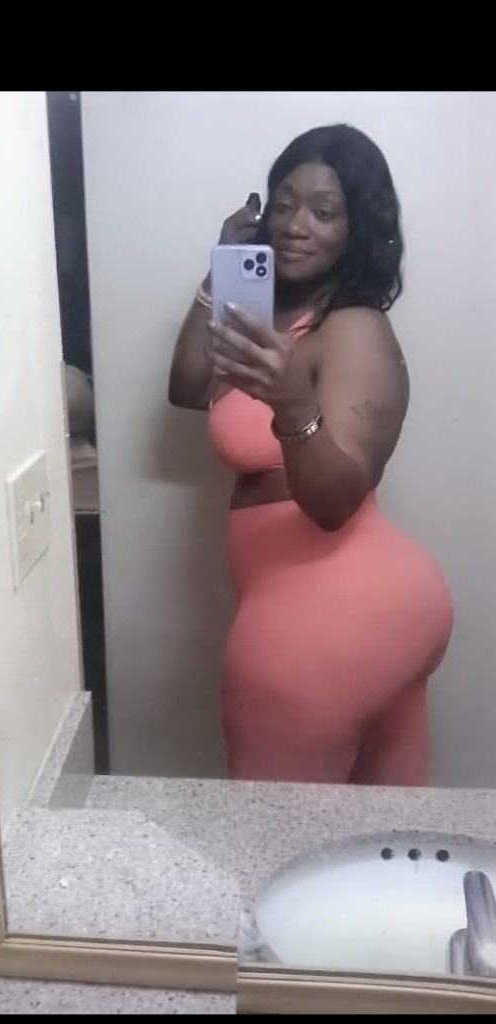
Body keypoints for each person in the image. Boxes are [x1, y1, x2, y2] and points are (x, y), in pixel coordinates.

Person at [168, 124, 453, 786]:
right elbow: (188, 388)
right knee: (386, 832)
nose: (296, 225)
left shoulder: (354, 329)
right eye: (285, 204)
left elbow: (333, 505)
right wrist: (218, 274)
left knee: (271, 832)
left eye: (325, 212)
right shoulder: (267, 320)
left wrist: (293, 401)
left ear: (358, 229)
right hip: (355, 609)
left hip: (330, 611)